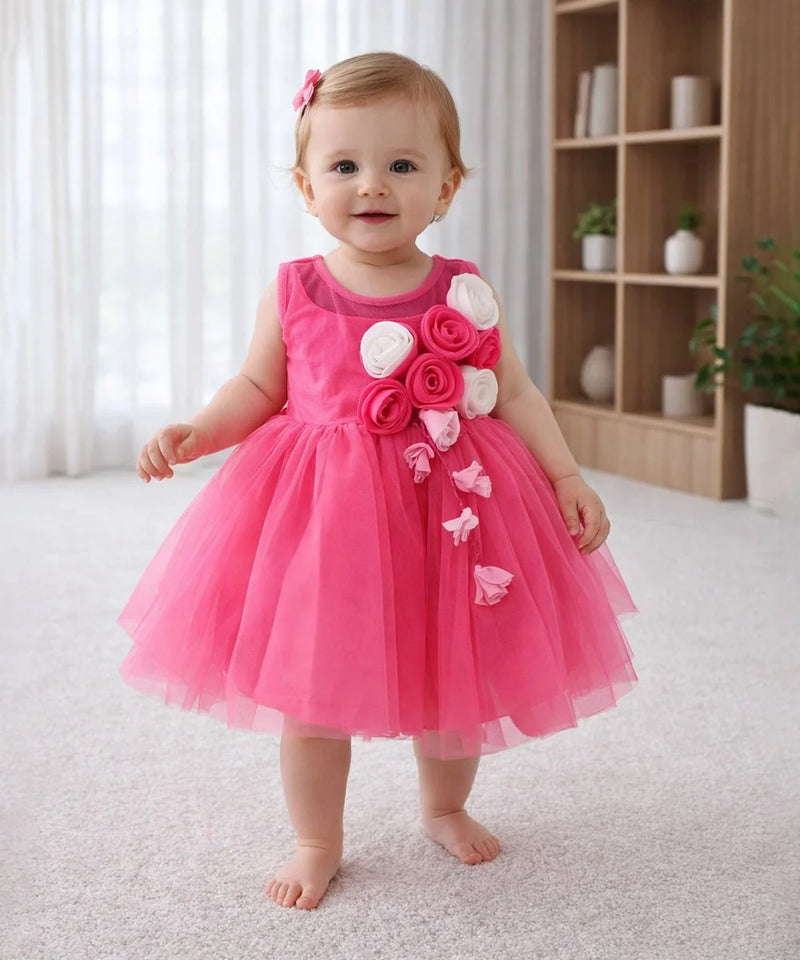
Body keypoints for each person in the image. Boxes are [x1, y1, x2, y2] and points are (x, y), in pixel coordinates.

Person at [119, 52, 637, 912]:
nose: (373, 186)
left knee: (455, 673)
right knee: (314, 692)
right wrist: (199, 432)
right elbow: (257, 388)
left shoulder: (464, 291)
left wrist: (566, 474)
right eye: (345, 166)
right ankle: (318, 837)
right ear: (304, 182)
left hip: (455, 515)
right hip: (327, 523)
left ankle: (446, 804)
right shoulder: (296, 289)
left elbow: (512, 391)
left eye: (402, 165)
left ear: (448, 184)